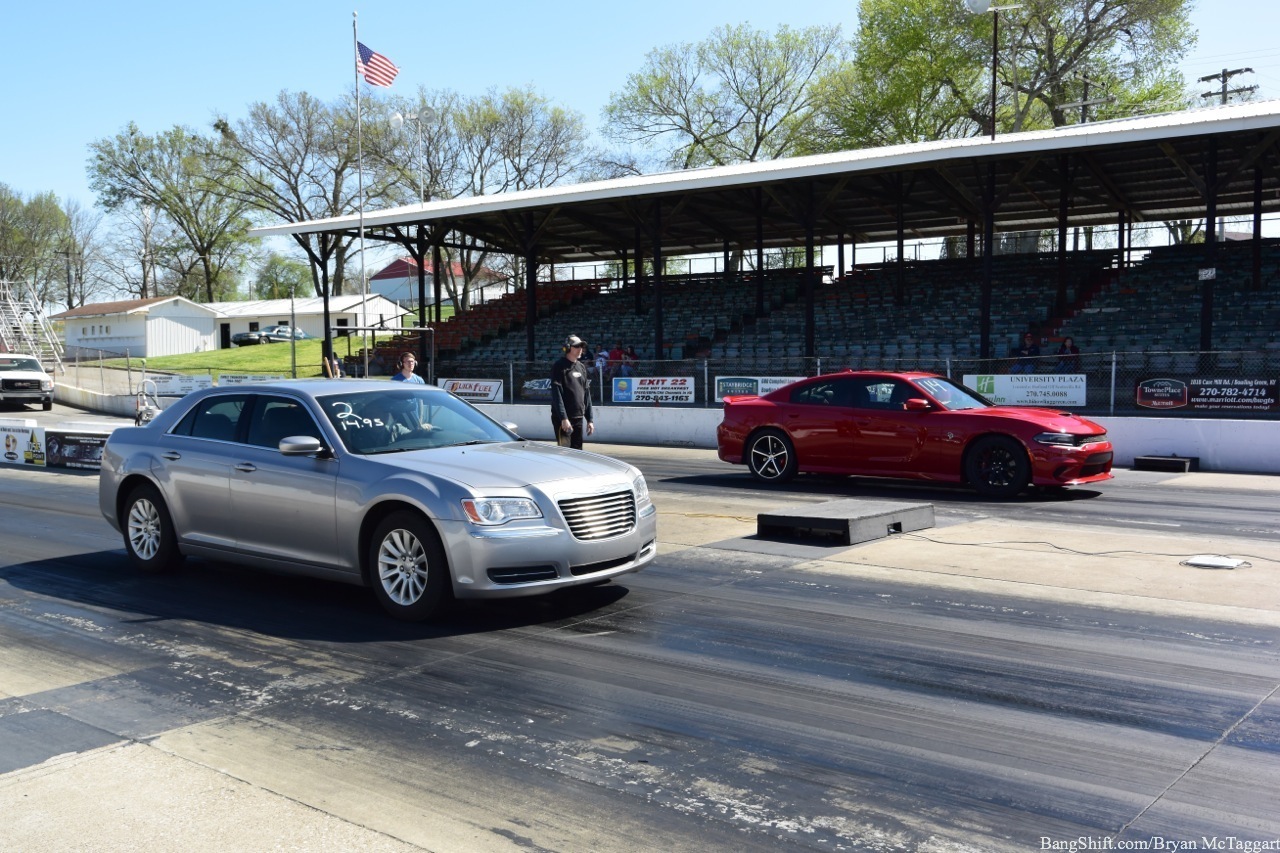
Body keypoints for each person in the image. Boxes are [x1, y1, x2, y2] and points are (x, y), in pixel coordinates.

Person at [551, 334, 595, 449]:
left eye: (581, 346)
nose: (580, 349)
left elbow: (586, 394)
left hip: (578, 417)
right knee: (565, 453)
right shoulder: (559, 366)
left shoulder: (581, 367)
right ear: (567, 348)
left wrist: (590, 419)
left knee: (577, 452)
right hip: (564, 420)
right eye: (577, 346)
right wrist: (564, 418)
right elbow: (557, 394)